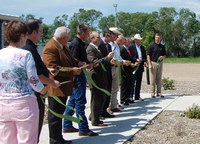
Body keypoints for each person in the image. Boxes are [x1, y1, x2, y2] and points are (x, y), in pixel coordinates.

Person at [0, 20, 46, 144]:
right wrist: (44, 90)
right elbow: (34, 81)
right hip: (24, 103)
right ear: (22, 36)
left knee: (6, 140)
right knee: (27, 140)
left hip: (3, 103)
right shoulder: (25, 55)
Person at [23, 19, 60, 143]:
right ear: (33, 32)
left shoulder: (28, 47)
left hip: (29, 94)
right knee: (34, 130)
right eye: (40, 31)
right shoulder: (29, 49)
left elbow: (37, 68)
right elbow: (36, 75)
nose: (41, 34)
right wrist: (52, 83)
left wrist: (47, 70)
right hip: (35, 94)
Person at [42, 26, 81, 144]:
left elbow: (70, 59)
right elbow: (53, 68)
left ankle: (58, 138)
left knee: (59, 114)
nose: (68, 40)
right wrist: (72, 70)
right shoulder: (51, 47)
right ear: (63, 37)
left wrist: (79, 63)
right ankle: (54, 140)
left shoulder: (62, 46)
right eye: (67, 38)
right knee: (55, 116)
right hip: (55, 87)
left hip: (63, 86)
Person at [63, 24, 98, 136]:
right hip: (77, 77)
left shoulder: (80, 44)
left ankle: (67, 125)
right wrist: (81, 64)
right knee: (80, 102)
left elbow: (80, 59)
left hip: (80, 75)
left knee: (73, 101)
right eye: (88, 32)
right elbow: (73, 60)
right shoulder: (75, 44)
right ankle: (83, 128)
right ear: (82, 33)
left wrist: (88, 63)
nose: (89, 35)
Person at [86, 31, 114, 126]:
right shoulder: (90, 49)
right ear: (92, 39)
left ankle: (93, 116)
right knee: (96, 98)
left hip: (101, 76)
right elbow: (94, 63)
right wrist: (107, 57)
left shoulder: (96, 48)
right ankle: (95, 120)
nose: (100, 39)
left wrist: (109, 60)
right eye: (98, 37)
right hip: (95, 77)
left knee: (100, 97)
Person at [108, 27, 131, 112]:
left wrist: (124, 61)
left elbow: (118, 57)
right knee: (110, 88)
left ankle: (114, 105)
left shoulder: (116, 46)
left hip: (117, 67)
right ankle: (108, 107)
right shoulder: (109, 44)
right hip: (111, 67)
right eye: (116, 35)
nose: (116, 36)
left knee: (115, 88)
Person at [98, 30, 115, 118]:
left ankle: (105, 110)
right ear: (105, 36)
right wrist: (108, 58)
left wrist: (111, 60)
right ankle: (99, 111)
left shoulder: (109, 46)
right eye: (109, 36)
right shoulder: (100, 45)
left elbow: (108, 59)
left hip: (109, 70)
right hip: (102, 71)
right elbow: (100, 59)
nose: (111, 38)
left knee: (108, 90)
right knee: (103, 92)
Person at [147, 33, 166, 98]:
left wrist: (162, 57)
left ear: (160, 38)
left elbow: (164, 55)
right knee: (153, 79)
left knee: (159, 79)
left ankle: (159, 93)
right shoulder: (151, 46)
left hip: (160, 63)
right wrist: (149, 64)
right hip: (153, 63)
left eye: (158, 38)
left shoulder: (162, 46)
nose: (157, 39)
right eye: (156, 37)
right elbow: (148, 55)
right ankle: (152, 93)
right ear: (155, 38)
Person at [129, 34, 147, 101]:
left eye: (140, 40)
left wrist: (144, 62)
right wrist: (136, 59)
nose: (139, 41)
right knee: (132, 82)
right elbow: (130, 57)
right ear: (135, 40)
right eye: (138, 40)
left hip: (140, 66)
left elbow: (144, 57)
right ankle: (131, 96)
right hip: (134, 66)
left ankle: (137, 96)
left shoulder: (142, 47)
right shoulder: (131, 47)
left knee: (139, 82)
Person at [120, 37, 136, 105]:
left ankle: (127, 98)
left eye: (129, 41)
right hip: (125, 70)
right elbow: (123, 59)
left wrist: (135, 62)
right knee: (124, 85)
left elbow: (131, 58)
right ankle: (123, 99)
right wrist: (130, 64)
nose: (129, 42)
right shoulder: (122, 49)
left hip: (129, 70)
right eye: (128, 41)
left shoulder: (128, 49)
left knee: (129, 84)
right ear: (124, 42)